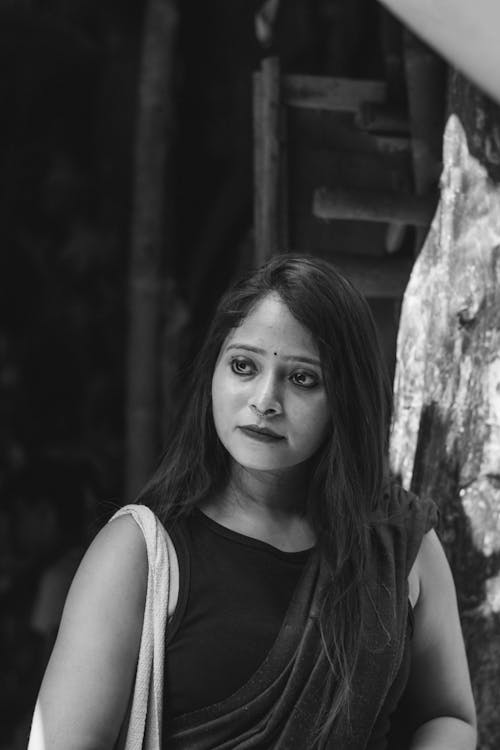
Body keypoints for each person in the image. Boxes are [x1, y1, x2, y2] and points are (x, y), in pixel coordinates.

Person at [28, 255, 476, 749]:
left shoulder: (400, 545)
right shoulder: (138, 554)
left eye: (303, 378)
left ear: (346, 399)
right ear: (213, 373)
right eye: (244, 366)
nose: (266, 399)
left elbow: (448, 716)